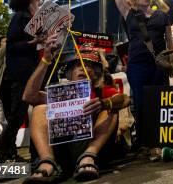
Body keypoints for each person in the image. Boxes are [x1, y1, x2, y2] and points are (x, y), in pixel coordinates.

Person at [23, 44, 130, 182]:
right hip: (63, 152)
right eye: (77, 65)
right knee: (39, 108)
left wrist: (104, 103)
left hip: (93, 150)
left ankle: (88, 157)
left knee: (111, 108)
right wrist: (45, 61)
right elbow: (29, 96)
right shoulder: (60, 93)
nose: (82, 68)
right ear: (70, 73)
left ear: (96, 73)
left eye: (88, 65)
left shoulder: (100, 91)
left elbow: (125, 99)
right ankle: (47, 162)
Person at [114, 0, 173, 149]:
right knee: (140, 101)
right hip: (137, 65)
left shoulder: (162, 15)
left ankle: (161, 135)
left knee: (160, 99)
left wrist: (172, 62)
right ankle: (144, 139)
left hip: (159, 65)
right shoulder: (129, 13)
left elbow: (169, 40)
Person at [0, 0, 43, 162]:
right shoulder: (20, 17)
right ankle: (3, 155)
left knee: (39, 110)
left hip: (38, 69)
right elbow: (12, 46)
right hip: (23, 72)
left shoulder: (38, 16)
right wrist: (31, 43)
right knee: (18, 114)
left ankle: (37, 155)